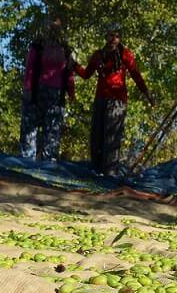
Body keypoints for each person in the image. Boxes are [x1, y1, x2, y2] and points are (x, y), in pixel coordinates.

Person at [76, 30, 154, 175]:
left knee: (112, 137)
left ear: (120, 39)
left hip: (117, 100)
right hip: (100, 98)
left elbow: (136, 75)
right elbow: (86, 74)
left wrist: (147, 93)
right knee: (97, 134)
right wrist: (74, 65)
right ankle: (96, 169)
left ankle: (110, 172)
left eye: (117, 36)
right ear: (106, 37)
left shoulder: (125, 54)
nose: (114, 39)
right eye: (111, 35)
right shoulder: (98, 55)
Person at [19, 16, 76, 162]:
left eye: (56, 27)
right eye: (50, 27)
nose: (52, 30)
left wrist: (71, 93)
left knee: (52, 130)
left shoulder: (66, 49)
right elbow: (30, 69)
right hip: (37, 92)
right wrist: (28, 89)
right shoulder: (37, 46)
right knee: (30, 126)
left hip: (56, 96)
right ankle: (27, 160)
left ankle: (48, 164)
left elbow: (69, 72)